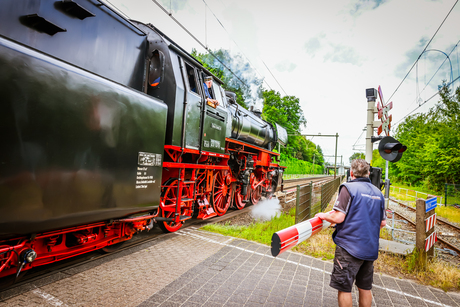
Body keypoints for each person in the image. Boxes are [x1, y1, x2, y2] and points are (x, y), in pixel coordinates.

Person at [315, 159, 386, 307]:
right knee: (365, 287)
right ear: (368, 173)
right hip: (370, 248)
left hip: (349, 248)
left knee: (344, 288)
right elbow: (382, 223)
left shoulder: (348, 188)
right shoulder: (378, 193)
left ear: (351, 173)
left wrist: (323, 215)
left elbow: (338, 217)